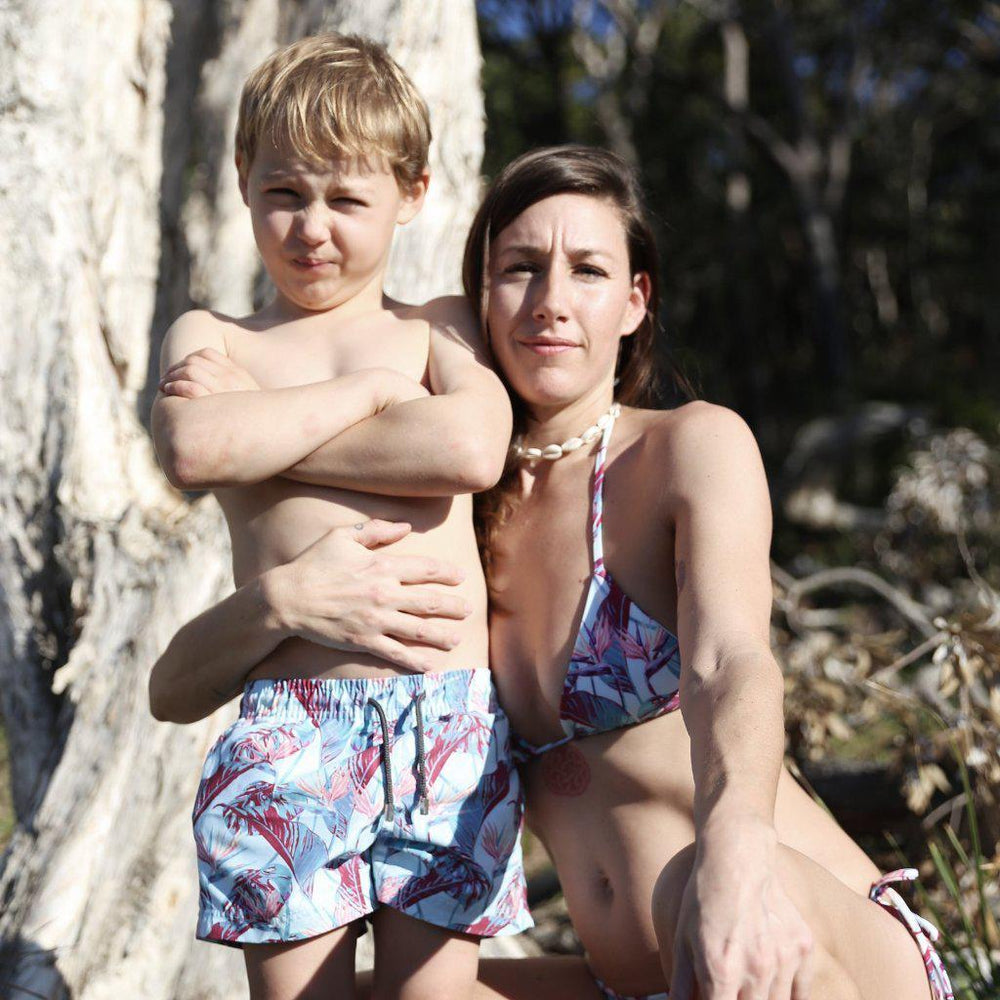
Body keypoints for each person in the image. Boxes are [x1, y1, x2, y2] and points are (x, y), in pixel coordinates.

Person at [152, 144, 954, 1000]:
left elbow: (732, 662)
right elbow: (172, 688)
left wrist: (740, 845)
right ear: (478, 300)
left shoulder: (688, 446)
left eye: (589, 271)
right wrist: (281, 594)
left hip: (783, 935)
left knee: (691, 889)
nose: (550, 303)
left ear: (635, 301)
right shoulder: (455, 518)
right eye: (520, 269)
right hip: (628, 983)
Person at [149, 32, 532, 1000]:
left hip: (444, 722)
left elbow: (468, 450)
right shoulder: (214, 334)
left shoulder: (439, 323)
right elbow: (194, 450)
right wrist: (376, 391)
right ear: (241, 179)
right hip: (291, 724)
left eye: (347, 198)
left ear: (410, 194)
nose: (312, 227)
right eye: (284, 191)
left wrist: (266, 433)